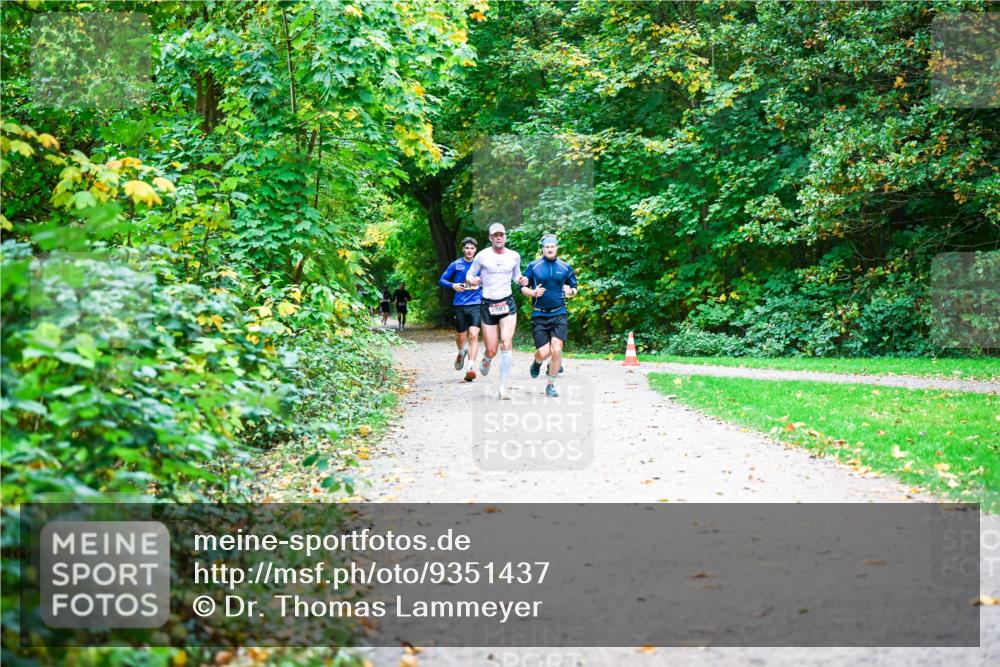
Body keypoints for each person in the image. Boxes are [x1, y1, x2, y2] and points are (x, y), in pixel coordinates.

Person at [466, 223, 529, 400]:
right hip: (488, 304)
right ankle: (486, 358)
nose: (499, 237)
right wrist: (473, 280)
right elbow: (470, 274)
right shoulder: (482, 256)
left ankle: (503, 388)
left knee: (506, 343)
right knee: (492, 350)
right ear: (490, 238)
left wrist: (521, 279)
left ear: (505, 237)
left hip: (507, 303)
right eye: (495, 235)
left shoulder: (514, 256)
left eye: (501, 234)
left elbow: (516, 275)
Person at [521, 234, 578, 397]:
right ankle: (537, 362)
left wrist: (571, 292)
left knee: (557, 350)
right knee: (544, 352)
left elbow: (574, 288)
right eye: (547, 247)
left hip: (559, 314)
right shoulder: (534, 266)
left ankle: (550, 385)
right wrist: (532, 292)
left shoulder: (565, 267)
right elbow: (522, 288)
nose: (550, 249)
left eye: (552, 246)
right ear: (543, 249)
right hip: (539, 315)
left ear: (557, 248)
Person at [439, 237, 483, 382]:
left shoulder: (480, 264)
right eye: (467, 248)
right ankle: (461, 351)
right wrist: (453, 285)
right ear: (463, 249)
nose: (469, 250)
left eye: (472, 248)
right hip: (460, 305)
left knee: (474, 335)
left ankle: (470, 367)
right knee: (461, 338)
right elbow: (442, 280)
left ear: (475, 249)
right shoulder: (456, 264)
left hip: (476, 304)